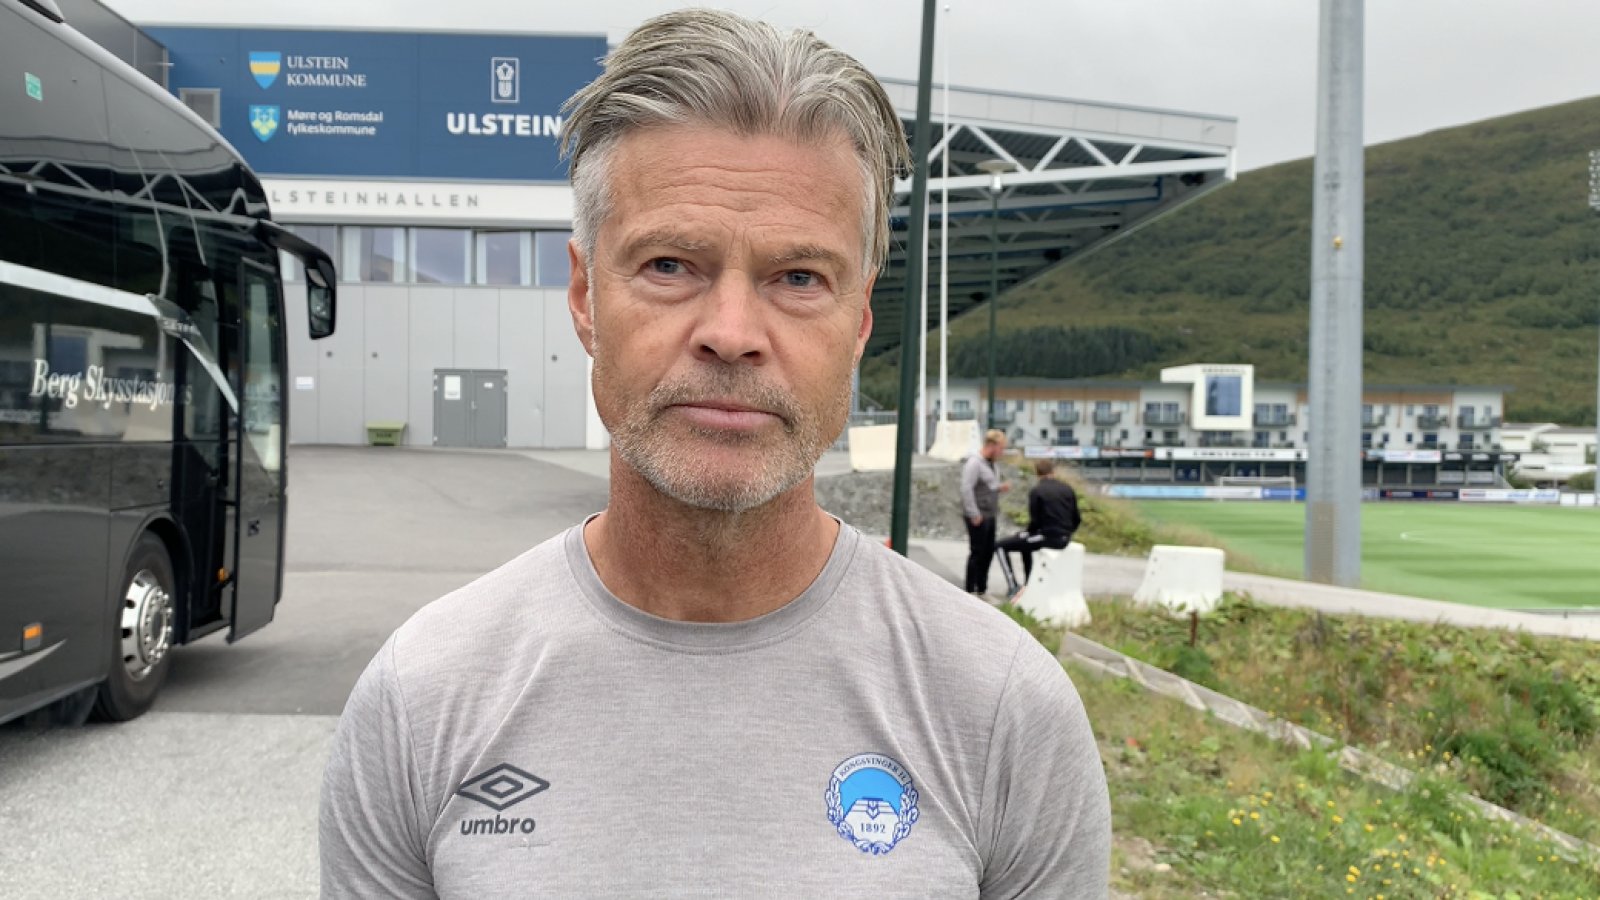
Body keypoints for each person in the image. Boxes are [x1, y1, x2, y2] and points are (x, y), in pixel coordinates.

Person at [319, 10, 1110, 898]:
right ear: (583, 296)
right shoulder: (423, 698)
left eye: (798, 277)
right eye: (669, 265)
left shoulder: (1002, 708)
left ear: (858, 322)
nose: (731, 334)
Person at [997, 458, 1082, 596]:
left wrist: (1027, 533)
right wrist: (1067, 532)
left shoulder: (1037, 491)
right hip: (1065, 537)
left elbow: (1035, 522)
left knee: (1000, 546)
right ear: (1053, 471)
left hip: (1048, 537)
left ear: (1037, 473)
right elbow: (1077, 518)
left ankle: (1013, 586)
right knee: (1025, 544)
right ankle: (1029, 583)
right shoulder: (1067, 489)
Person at [959, 429, 1010, 596]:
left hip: (990, 513)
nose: (1002, 452)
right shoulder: (974, 463)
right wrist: (973, 513)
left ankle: (982, 588)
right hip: (978, 515)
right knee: (977, 552)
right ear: (991, 445)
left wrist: (999, 488)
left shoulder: (992, 464)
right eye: (1001, 448)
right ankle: (970, 589)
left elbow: (988, 485)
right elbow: (966, 488)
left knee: (988, 552)